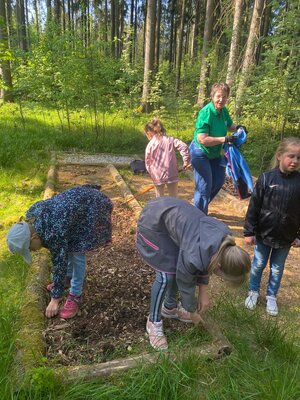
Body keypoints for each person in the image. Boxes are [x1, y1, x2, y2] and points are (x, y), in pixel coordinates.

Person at [136, 196, 251, 351]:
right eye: (223, 278)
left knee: (176, 266)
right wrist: (191, 310)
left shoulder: (225, 241)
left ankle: (169, 308)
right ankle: (153, 321)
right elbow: (186, 281)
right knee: (167, 276)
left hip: (168, 214)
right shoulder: (194, 254)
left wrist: (203, 292)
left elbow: (205, 262)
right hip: (153, 222)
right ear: (220, 267)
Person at [6, 185, 113, 319]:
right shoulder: (33, 217)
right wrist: (58, 284)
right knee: (66, 246)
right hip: (78, 206)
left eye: (29, 248)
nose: (32, 251)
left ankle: (75, 295)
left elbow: (59, 263)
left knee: (77, 252)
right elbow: (60, 252)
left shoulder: (53, 232)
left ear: (33, 237)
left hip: (92, 207)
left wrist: (55, 299)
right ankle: (67, 278)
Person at [244, 137, 300, 316]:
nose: (295, 161)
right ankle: (253, 291)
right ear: (279, 156)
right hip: (263, 233)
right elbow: (254, 206)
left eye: (299, 158)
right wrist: (249, 231)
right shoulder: (266, 178)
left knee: (277, 268)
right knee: (258, 263)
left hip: (286, 235)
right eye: (291, 156)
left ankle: (271, 296)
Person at [189, 82, 247, 214]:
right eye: (218, 96)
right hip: (200, 153)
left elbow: (229, 125)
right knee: (204, 186)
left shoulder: (223, 111)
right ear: (212, 96)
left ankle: (198, 207)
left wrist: (239, 128)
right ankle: (199, 217)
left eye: (224, 97)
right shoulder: (206, 113)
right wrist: (224, 139)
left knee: (218, 182)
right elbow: (202, 139)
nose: (221, 100)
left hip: (215, 153)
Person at [144, 117, 190, 197]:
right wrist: (186, 161)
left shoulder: (150, 145)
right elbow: (184, 146)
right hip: (171, 173)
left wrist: (151, 172)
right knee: (174, 197)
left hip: (157, 175)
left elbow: (148, 161)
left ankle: (160, 209)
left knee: (159, 197)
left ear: (149, 133)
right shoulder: (170, 140)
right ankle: (173, 209)